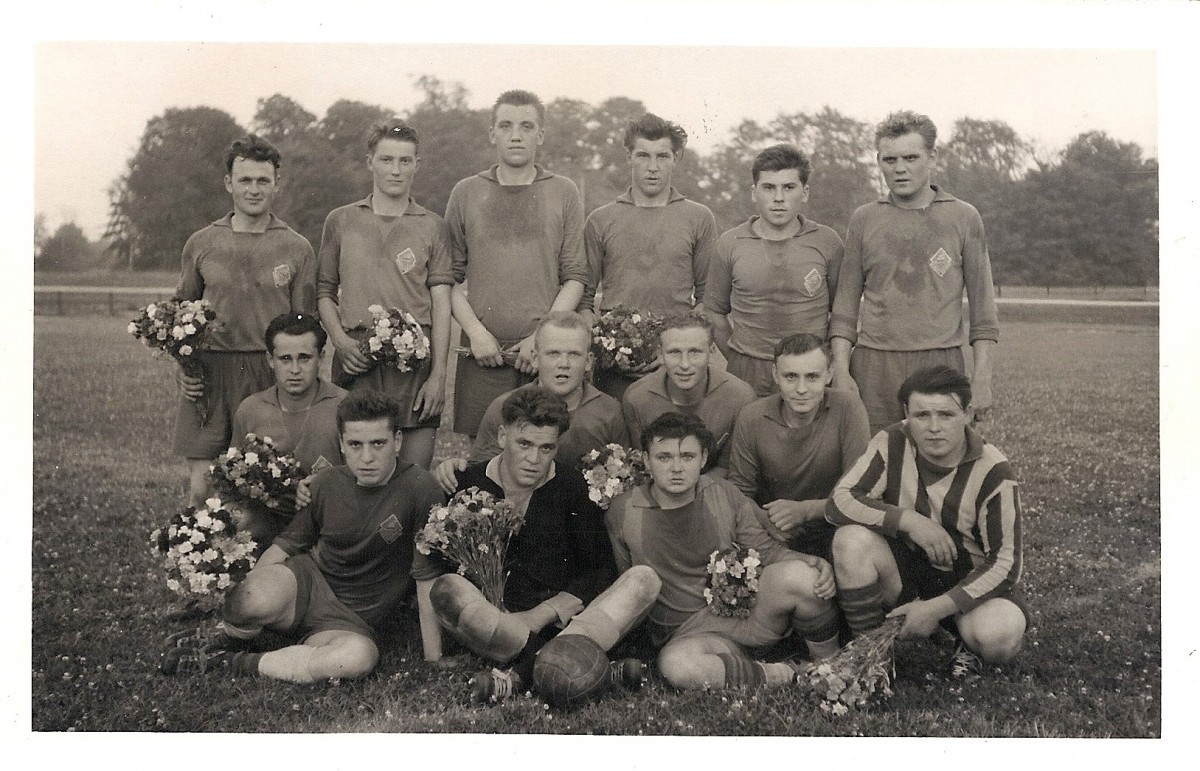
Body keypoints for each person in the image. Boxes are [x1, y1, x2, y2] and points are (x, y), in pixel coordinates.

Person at [160, 391, 446, 682]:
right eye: (355, 444)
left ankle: (232, 662)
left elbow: (426, 576)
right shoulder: (325, 482)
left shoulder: (421, 489)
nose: (367, 457)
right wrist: (250, 594)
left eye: (378, 444)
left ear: (397, 442)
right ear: (342, 444)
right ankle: (225, 637)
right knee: (248, 596)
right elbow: (286, 546)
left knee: (355, 658)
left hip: (352, 618)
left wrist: (433, 658)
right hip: (306, 584)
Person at [422, 387, 657, 702]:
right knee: (447, 587)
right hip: (497, 627)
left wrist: (541, 614)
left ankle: (519, 677)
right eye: (524, 444)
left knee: (644, 579)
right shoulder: (468, 484)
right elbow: (446, 565)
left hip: (564, 623)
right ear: (503, 437)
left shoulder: (573, 489)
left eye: (547, 448)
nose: (534, 459)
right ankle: (592, 666)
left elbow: (598, 572)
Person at [606, 412, 840, 691]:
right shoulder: (624, 511)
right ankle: (786, 674)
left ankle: (832, 665)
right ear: (646, 461)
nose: (677, 468)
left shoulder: (722, 493)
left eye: (688, 456)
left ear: (704, 458)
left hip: (744, 613)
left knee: (805, 577)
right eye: (664, 457)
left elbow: (765, 551)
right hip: (688, 637)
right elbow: (628, 586)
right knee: (679, 667)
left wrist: (812, 562)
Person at [826, 365, 1027, 680]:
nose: (934, 427)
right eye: (922, 416)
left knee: (999, 636)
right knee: (850, 540)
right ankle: (871, 653)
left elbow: (1006, 564)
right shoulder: (893, 441)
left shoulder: (994, 471)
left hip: (967, 587)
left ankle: (962, 643)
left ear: (968, 414)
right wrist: (910, 521)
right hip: (910, 576)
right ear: (907, 413)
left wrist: (935, 609)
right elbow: (839, 501)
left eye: (946, 415)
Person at [829, 111, 999, 433]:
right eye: (889, 160)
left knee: (939, 460)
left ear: (932, 156)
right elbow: (845, 307)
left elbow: (983, 311)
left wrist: (982, 377)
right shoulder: (864, 219)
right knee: (873, 462)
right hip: (874, 363)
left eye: (910, 157)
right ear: (879, 161)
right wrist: (840, 368)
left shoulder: (963, 217)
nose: (900, 168)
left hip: (940, 361)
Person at [172, 134, 316, 508]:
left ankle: (258, 564)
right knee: (201, 489)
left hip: (267, 372)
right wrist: (183, 367)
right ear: (229, 183)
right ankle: (197, 563)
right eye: (245, 180)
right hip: (211, 372)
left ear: (276, 184)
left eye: (263, 180)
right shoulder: (202, 242)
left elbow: (307, 326)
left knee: (266, 488)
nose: (254, 189)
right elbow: (179, 314)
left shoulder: (296, 247)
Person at [445, 89, 589, 441]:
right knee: (473, 456)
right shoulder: (465, 192)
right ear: (492, 133)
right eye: (506, 125)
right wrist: (476, 333)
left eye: (527, 126)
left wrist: (541, 337)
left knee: (543, 452)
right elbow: (446, 278)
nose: (516, 135)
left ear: (540, 135)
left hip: (542, 356)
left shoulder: (564, 192)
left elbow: (575, 277)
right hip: (482, 356)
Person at [316, 119, 453, 469]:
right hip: (357, 357)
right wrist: (342, 342)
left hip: (414, 361)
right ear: (370, 162)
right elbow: (325, 291)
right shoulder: (341, 220)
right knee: (357, 471)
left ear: (416, 165)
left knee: (414, 473)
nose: (396, 170)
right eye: (387, 159)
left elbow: (440, 305)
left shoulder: (432, 225)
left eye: (405, 161)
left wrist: (438, 376)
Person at [583, 113, 718, 400]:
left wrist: (674, 349)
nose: (653, 167)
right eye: (643, 155)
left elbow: (708, 299)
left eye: (663, 156)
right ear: (629, 156)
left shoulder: (699, 218)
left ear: (676, 158)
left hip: (676, 366)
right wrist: (608, 349)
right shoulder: (601, 220)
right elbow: (584, 302)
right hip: (615, 370)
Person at [432, 311, 628, 495]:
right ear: (535, 358)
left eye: (574, 354)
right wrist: (456, 466)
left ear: (588, 361)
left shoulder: (608, 411)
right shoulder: (505, 406)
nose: (564, 363)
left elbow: (623, 475)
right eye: (553, 353)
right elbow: (483, 475)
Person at [706, 144, 844, 397]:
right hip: (749, 369)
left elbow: (842, 311)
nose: (778, 198)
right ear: (754, 192)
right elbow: (714, 310)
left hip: (808, 368)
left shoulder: (828, 242)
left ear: (805, 192)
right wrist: (738, 357)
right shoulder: (730, 243)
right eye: (768, 188)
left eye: (788, 187)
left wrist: (823, 359)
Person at [727, 334, 870, 562]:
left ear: (830, 374)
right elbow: (738, 490)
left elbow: (861, 490)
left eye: (812, 376)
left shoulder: (848, 408)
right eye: (791, 376)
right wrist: (764, 520)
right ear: (775, 375)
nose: (801, 388)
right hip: (777, 529)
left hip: (834, 524)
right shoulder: (752, 416)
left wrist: (805, 510)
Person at [229, 312, 347, 546]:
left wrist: (326, 484)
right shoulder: (251, 409)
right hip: (268, 523)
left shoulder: (345, 405)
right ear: (270, 360)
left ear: (321, 357)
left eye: (304, 358)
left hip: (328, 522)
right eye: (285, 359)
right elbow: (231, 479)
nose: (295, 369)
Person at [621, 313, 755, 473]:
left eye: (695, 352)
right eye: (674, 352)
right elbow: (643, 465)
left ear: (711, 351)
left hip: (716, 487)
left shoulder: (740, 396)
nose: (684, 364)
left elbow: (729, 468)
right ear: (660, 354)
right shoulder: (637, 397)